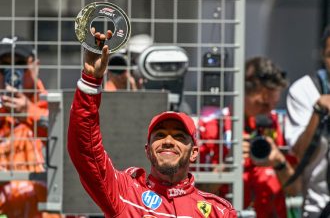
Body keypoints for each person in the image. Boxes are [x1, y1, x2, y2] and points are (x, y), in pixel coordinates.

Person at [67, 30, 237, 217]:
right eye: (160, 135)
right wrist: (90, 82)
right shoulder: (126, 193)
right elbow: (86, 152)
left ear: (194, 152)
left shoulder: (219, 211)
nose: (168, 141)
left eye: (179, 136)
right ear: (147, 150)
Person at [197, 56, 300, 217]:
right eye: (262, 104)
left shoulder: (281, 125)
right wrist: (227, 167)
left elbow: (295, 190)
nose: (269, 111)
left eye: (273, 104)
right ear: (241, 93)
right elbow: (196, 194)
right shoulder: (212, 129)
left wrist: (280, 163)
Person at [0, 36, 60, 217]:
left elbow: (70, 141)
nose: (13, 72)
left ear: (36, 65)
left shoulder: (54, 107)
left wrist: (29, 113)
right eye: (4, 65)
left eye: (20, 63)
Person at [285, 25, 330, 217]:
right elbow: (301, 154)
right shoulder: (305, 90)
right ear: (322, 55)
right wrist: (318, 111)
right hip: (318, 208)